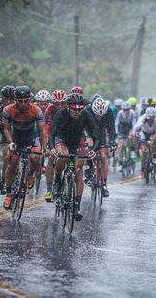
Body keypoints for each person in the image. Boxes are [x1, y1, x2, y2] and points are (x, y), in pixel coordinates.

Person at [49, 93, 100, 221]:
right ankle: (57, 180)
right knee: (63, 156)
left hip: (77, 141)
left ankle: (77, 205)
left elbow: (96, 136)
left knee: (78, 170)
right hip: (62, 139)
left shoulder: (86, 115)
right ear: (68, 107)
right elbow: (52, 135)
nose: (77, 112)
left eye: (79, 109)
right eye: (74, 109)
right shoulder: (60, 114)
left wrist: (93, 151)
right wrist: (52, 149)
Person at [2, 85, 47, 210]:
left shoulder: (36, 111)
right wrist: (10, 142)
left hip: (31, 139)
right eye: (20, 101)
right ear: (15, 100)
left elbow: (42, 131)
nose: (23, 104)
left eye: (26, 101)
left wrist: (44, 147)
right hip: (16, 139)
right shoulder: (8, 110)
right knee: (12, 164)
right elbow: (6, 128)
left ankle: (31, 173)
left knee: (36, 156)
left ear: (30, 99)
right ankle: (9, 193)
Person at [84, 96, 116, 197]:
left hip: (101, 132)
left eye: (101, 115)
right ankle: (89, 169)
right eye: (97, 115)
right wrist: (87, 137)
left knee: (103, 156)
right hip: (90, 130)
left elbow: (111, 128)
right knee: (89, 149)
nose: (99, 117)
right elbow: (83, 126)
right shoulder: (87, 111)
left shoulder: (109, 112)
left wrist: (111, 141)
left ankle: (104, 184)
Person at [43, 89, 67, 202]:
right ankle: (49, 190)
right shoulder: (49, 110)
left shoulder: (69, 110)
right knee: (51, 158)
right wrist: (47, 146)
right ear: (53, 103)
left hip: (66, 136)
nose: (59, 106)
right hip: (54, 135)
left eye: (62, 103)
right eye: (57, 103)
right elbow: (47, 130)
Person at [133, 107, 156, 179]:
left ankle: (153, 157)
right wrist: (143, 122)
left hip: (154, 133)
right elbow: (136, 128)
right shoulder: (142, 118)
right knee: (143, 151)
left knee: (152, 142)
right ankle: (142, 169)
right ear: (147, 115)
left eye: (153, 117)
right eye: (150, 117)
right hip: (144, 133)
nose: (151, 118)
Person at [115, 101, 137, 170]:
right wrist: (116, 133)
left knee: (130, 139)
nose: (126, 111)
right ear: (122, 109)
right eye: (124, 110)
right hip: (122, 129)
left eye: (127, 109)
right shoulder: (120, 113)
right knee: (120, 146)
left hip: (129, 128)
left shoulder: (133, 113)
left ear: (129, 109)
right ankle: (120, 162)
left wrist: (132, 133)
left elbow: (134, 124)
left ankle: (132, 153)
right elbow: (116, 124)